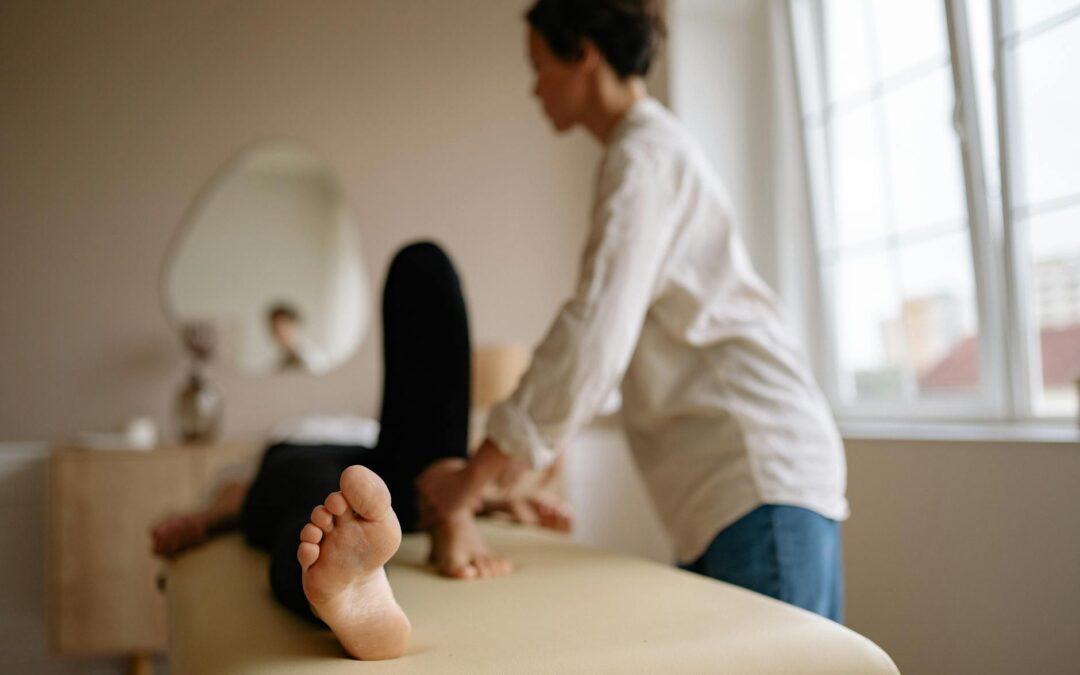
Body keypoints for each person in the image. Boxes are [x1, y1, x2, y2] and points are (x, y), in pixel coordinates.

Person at [417, 0, 849, 622]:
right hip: (740, 487)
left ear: (584, 55)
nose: (534, 87)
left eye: (539, 65)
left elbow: (593, 334)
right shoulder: (649, 152)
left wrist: (473, 479)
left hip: (756, 475)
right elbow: (618, 357)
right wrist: (524, 475)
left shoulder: (643, 156)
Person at [152, 242, 570, 660]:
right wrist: (206, 520)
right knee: (324, 510)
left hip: (399, 477)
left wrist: (492, 502)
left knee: (423, 263)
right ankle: (342, 592)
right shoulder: (294, 437)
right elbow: (239, 491)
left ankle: (451, 514)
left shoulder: (386, 441)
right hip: (311, 463)